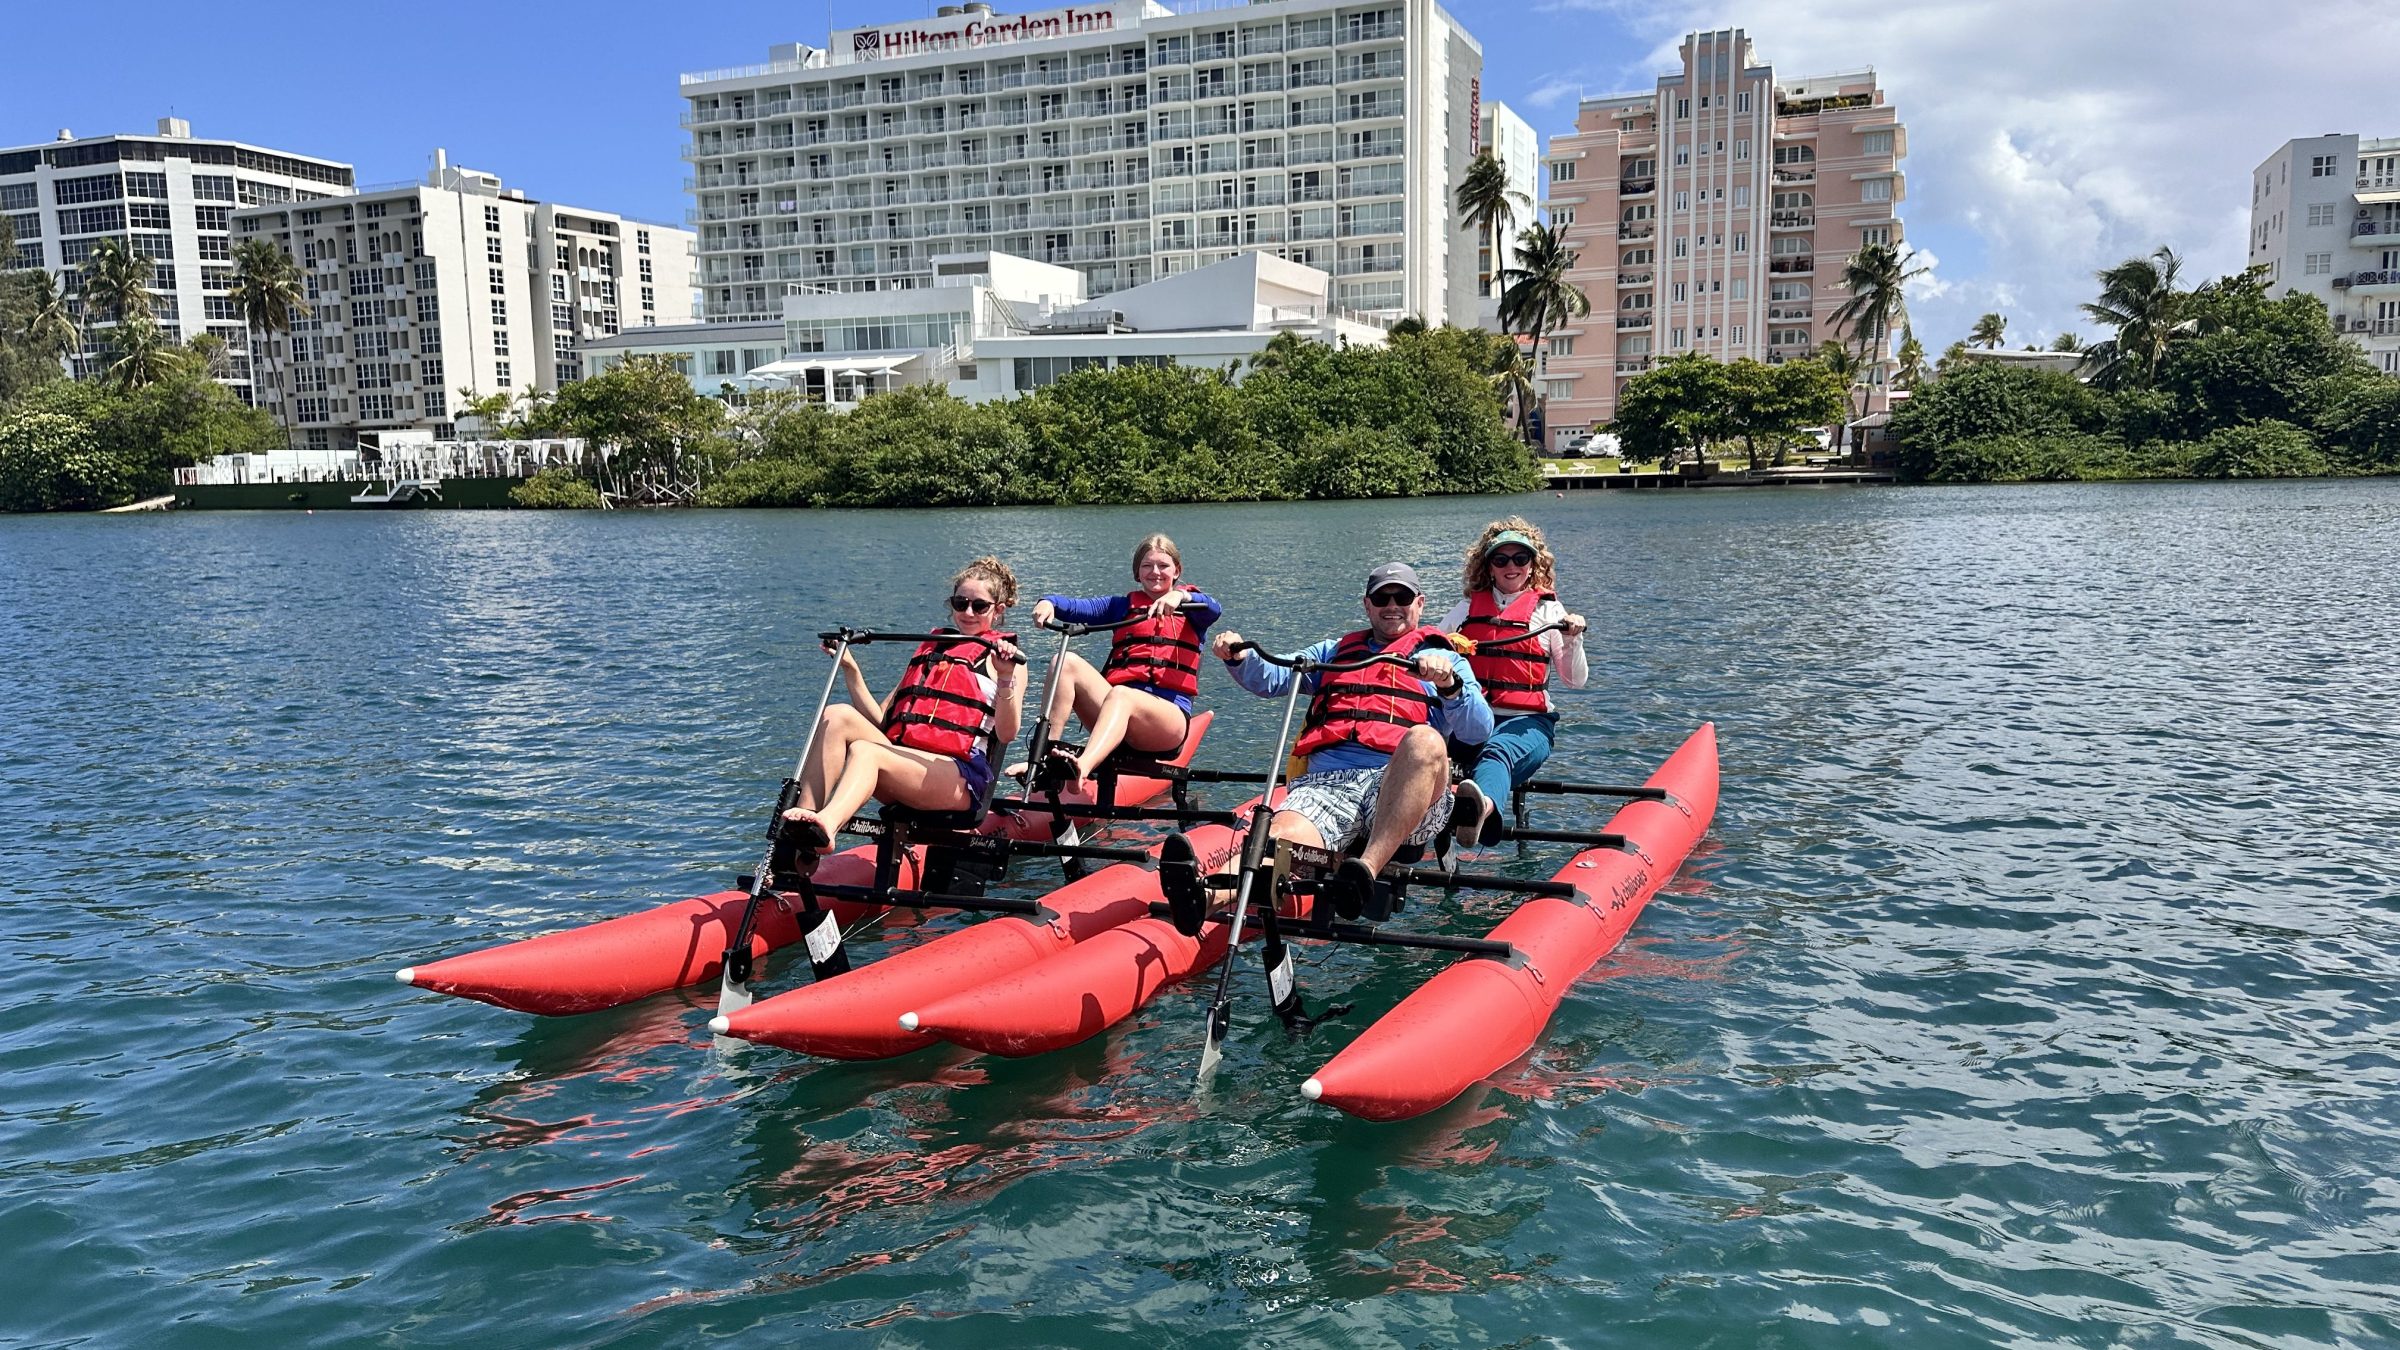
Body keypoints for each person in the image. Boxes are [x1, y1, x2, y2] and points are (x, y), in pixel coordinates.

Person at [1212, 562, 1493, 915]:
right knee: (1278, 838)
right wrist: (1240, 656)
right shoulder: (1332, 653)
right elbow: (1274, 677)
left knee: (1425, 739)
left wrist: (1450, 685)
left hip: (1403, 786)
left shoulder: (1446, 659)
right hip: (1327, 785)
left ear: (1419, 603)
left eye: (1402, 596)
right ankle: (1205, 894)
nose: (1392, 605)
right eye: (1382, 598)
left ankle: (1365, 872)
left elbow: (1478, 730)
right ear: (1367, 605)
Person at [778, 557, 1027, 856]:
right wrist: (850, 669)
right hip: (906, 764)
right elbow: (881, 720)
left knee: (865, 751)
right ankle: (801, 838)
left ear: (998, 610)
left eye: (979, 606)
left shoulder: (1006, 660)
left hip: (957, 779)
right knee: (837, 715)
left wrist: (1005, 676)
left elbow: (1008, 732)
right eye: (960, 604)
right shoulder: (933, 648)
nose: (968, 612)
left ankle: (827, 825)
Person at [1025, 533, 1222, 792]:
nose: (1155, 572)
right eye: (1147, 566)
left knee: (1122, 695)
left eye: (1163, 565)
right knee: (1064, 662)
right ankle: (1044, 757)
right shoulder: (1120, 607)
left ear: (1177, 571)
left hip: (1167, 723)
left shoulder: (1195, 610)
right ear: (1137, 573)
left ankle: (1082, 767)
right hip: (1115, 710)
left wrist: (1181, 597)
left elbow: (1215, 608)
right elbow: (1071, 606)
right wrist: (1046, 602)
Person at [1435, 519, 1588, 846]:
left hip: (1528, 724)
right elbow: (1431, 652)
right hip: (1470, 720)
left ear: (1533, 566)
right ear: (1488, 566)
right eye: (1500, 559)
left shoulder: (1550, 614)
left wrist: (1573, 639)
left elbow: (1575, 681)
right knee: (1422, 744)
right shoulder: (1463, 611)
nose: (1511, 566)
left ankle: (1479, 813)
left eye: (1521, 559)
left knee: (1497, 752)